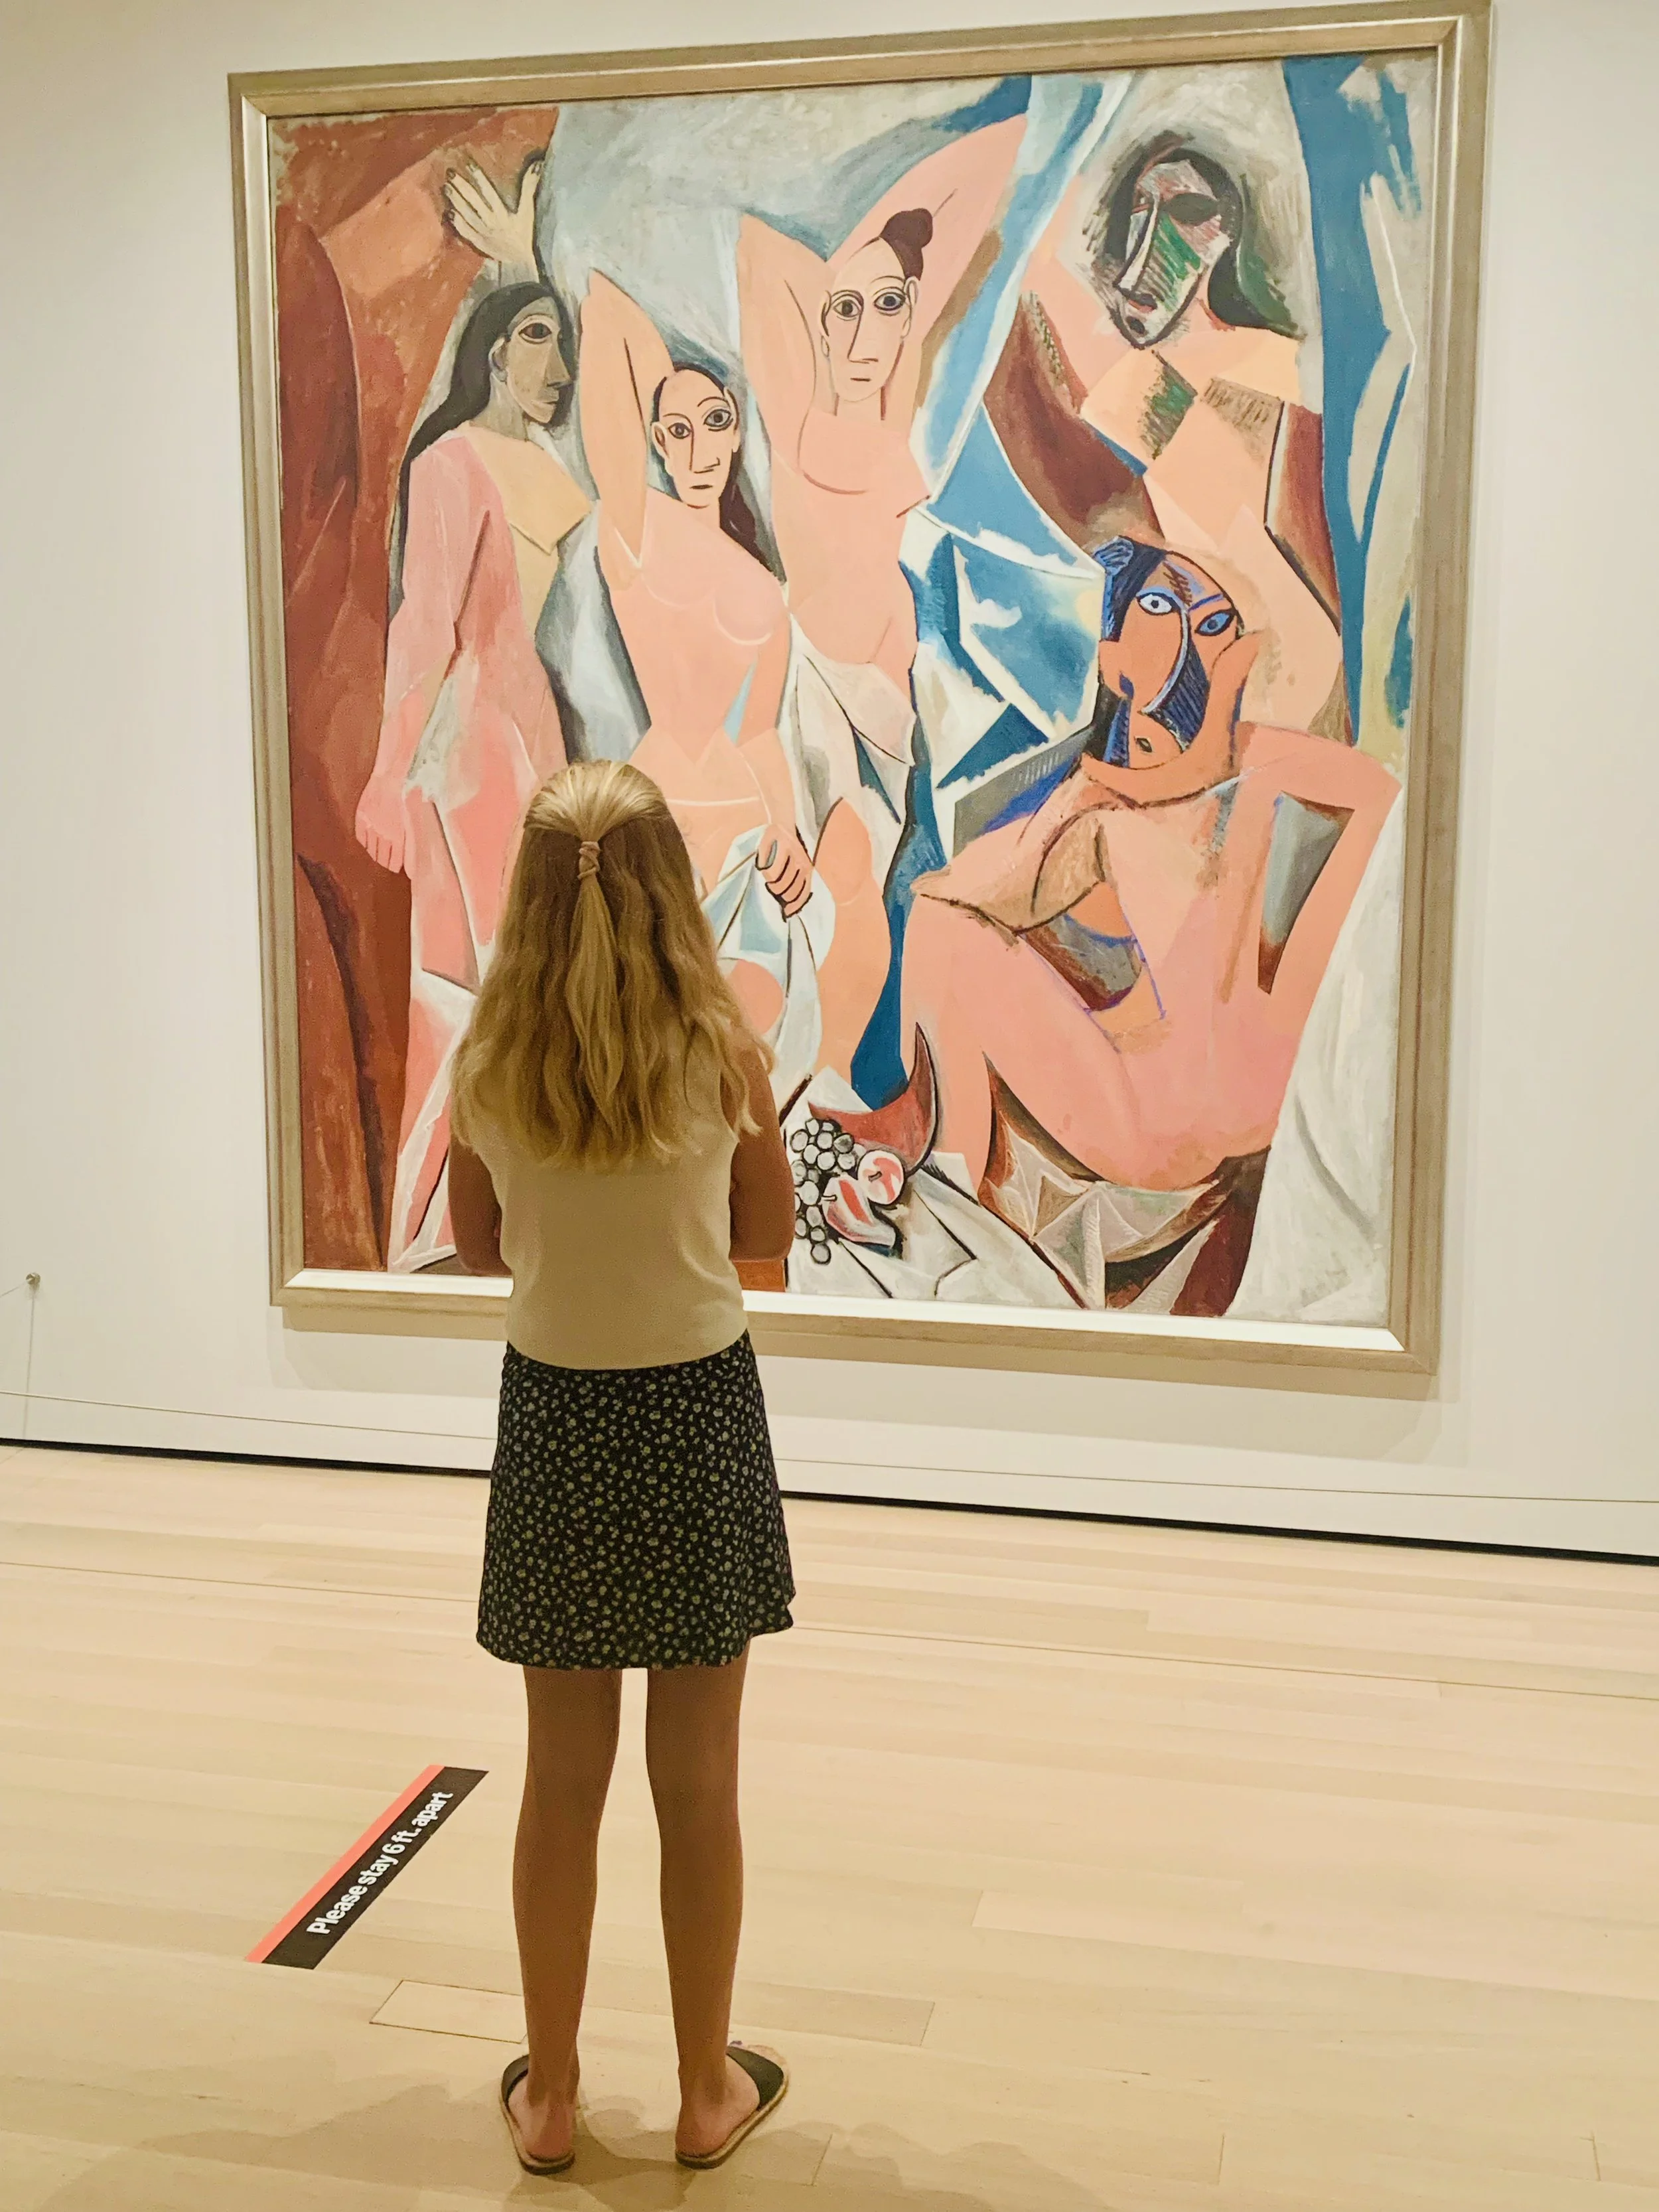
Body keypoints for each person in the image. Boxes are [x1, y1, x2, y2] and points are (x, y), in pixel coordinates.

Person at [447, 759, 798, 2175]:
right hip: (694, 1420)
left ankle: (549, 2098)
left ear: (529, 903)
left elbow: (481, 1249)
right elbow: (764, 1231)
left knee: (559, 1777)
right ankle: (705, 2088)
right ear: (668, 892)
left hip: (557, 1426)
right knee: (697, 1778)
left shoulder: (487, 1068)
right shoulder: (724, 1056)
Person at [897, 536, 1397, 1310]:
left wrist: (1163, 788)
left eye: (1219, 620)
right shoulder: (1087, 803)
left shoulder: (1298, 780)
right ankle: (956, 1203)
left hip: (1234, 1106)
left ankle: (954, 1209)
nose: (1198, 642)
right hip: (1156, 1107)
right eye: (1163, 605)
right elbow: (966, 896)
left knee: (947, 924)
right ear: (1111, 656)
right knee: (944, 923)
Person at [579, 270, 883, 1091]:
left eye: (713, 424)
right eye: (673, 432)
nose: (696, 449)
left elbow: (757, 731)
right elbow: (609, 321)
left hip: (746, 828)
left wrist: (785, 830)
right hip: (658, 815)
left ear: (737, 431)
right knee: (650, 1033)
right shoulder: (633, 530)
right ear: (651, 440)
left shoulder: (762, 583)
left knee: (750, 1035)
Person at [355, 281, 590, 1269]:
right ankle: (442, 1228)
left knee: (487, 991)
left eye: (562, 343)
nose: (557, 366)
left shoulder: (511, 462)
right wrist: (385, 772)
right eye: (535, 335)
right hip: (484, 747)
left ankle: (461, 1225)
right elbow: (425, 627)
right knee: (477, 990)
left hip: (509, 747)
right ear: (490, 345)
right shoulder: (458, 461)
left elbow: (455, 626)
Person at [736, 119, 1024, 913]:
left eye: (889, 306)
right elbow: (761, 251)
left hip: (894, 690)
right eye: (844, 310)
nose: (866, 334)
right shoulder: (797, 422)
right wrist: (851, 256)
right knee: (826, 903)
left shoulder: (899, 413)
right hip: (822, 675)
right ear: (816, 321)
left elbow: (984, 176)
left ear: (911, 314)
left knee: (869, 894)